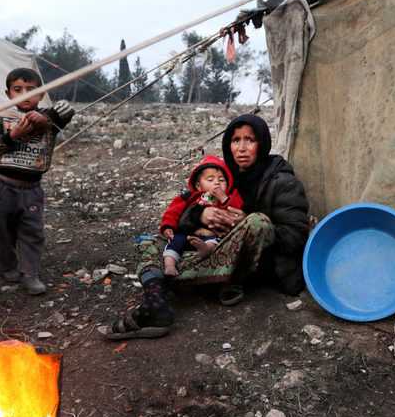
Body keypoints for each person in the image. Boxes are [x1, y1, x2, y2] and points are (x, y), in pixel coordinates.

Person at [106, 114, 309, 339]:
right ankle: (156, 304)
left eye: (249, 140)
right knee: (155, 242)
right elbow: (184, 212)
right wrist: (200, 215)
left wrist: (244, 222)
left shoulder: (282, 182)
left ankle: (186, 282)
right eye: (235, 140)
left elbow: (295, 236)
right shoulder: (224, 176)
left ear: (262, 143)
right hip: (217, 249)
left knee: (257, 221)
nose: (241, 148)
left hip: (257, 265)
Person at [0, 68, 74, 295]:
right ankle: (7, 265)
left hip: (32, 188)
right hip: (3, 186)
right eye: (18, 90)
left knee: (32, 231)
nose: (24, 94)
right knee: (3, 230)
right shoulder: (1, 117)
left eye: (31, 90)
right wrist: (12, 136)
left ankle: (30, 273)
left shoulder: (47, 119)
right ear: (9, 94)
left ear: (41, 94)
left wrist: (48, 118)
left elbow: (67, 111)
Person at [158, 155, 244, 277]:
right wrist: (167, 226)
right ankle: (170, 266)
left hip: (212, 234)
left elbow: (237, 210)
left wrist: (224, 198)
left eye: (221, 180)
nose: (217, 183)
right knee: (175, 241)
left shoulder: (230, 197)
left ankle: (205, 250)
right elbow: (173, 211)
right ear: (199, 186)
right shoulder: (191, 197)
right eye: (210, 180)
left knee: (214, 242)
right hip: (188, 233)